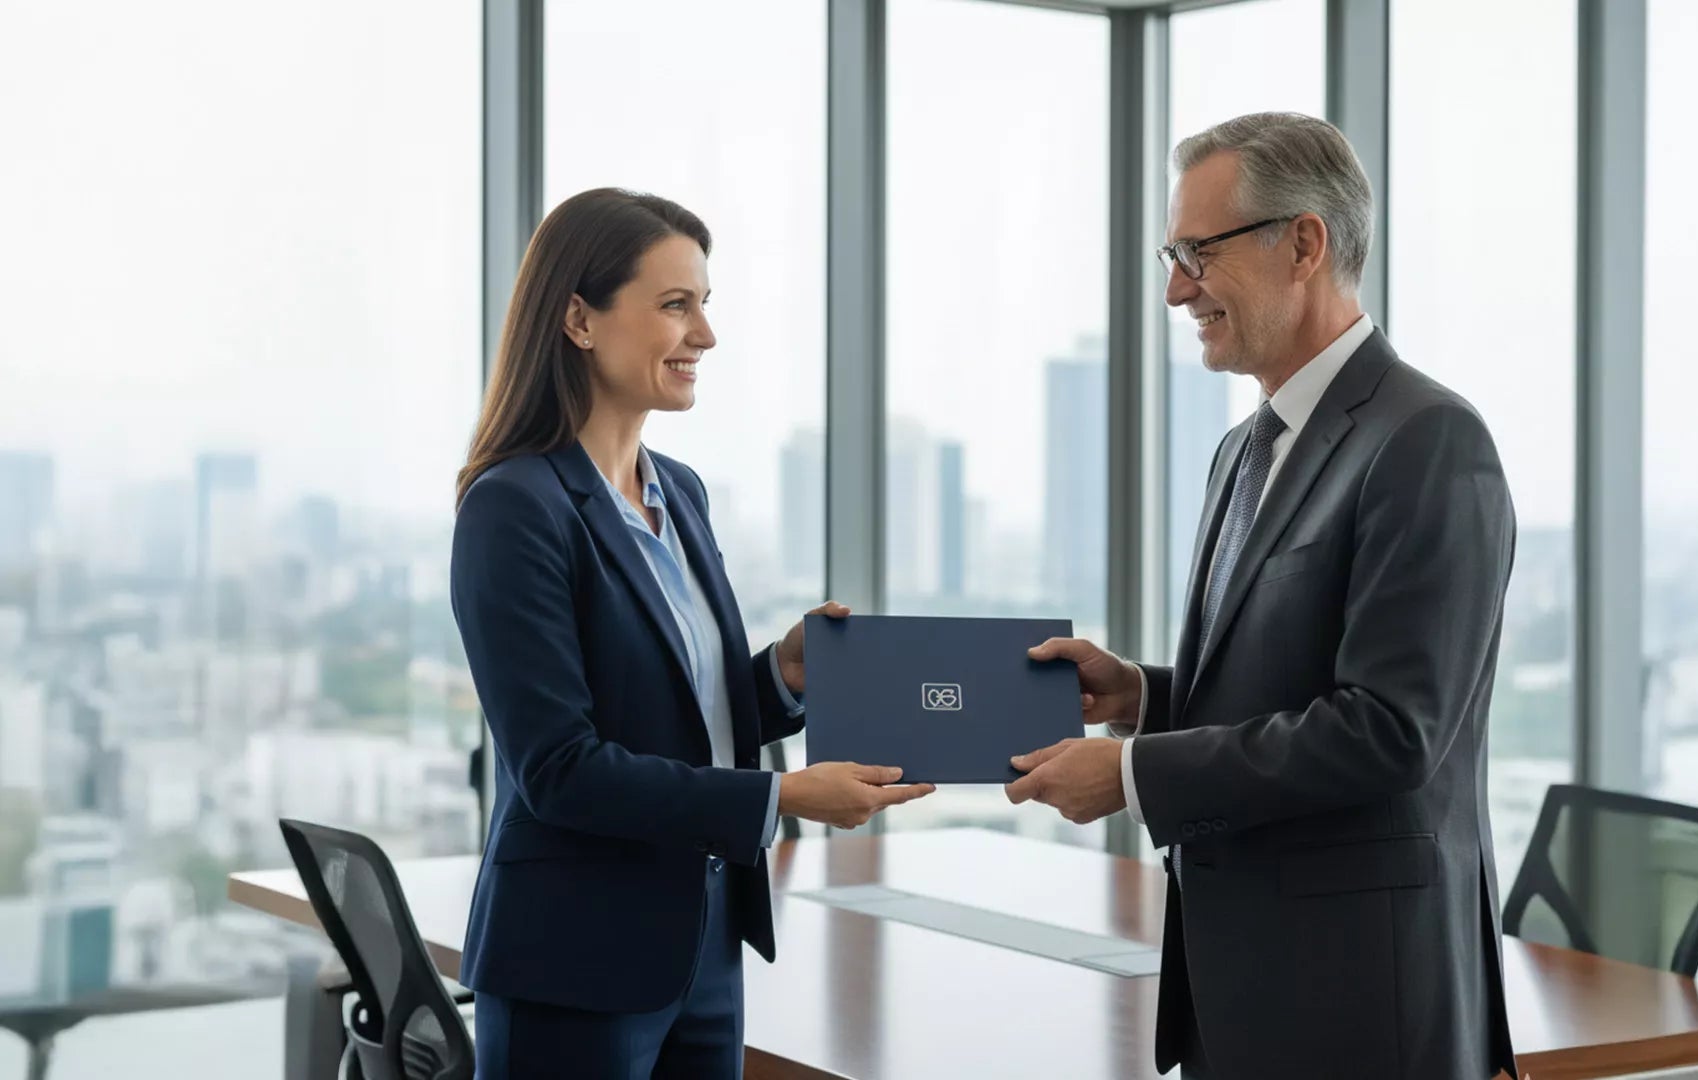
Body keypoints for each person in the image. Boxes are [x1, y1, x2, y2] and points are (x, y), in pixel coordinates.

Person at [1007, 113, 1519, 1079]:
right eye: (1173, 253)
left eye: (1198, 252)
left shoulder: (1428, 441)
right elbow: (1281, 682)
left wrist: (1130, 776)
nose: (1173, 289)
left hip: (1365, 1003)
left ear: (1305, 244)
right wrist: (1141, 696)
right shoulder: (1242, 451)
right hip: (1240, 993)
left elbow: (1390, 732)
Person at [450, 187, 934, 1077]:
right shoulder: (514, 508)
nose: (705, 336)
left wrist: (781, 676)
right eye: (677, 305)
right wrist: (781, 801)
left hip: (705, 941)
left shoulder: (679, 491)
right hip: (576, 958)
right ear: (579, 320)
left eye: (705, 305)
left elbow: (681, 715)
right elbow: (559, 770)